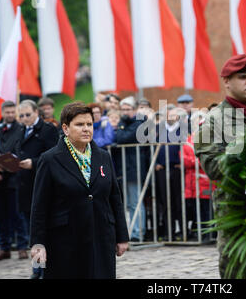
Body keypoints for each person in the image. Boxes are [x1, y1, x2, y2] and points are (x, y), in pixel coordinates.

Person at [30, 102, 129, 279]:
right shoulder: (50, 159)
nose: (86, 129)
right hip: (65, 241)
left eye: (89, 124)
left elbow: (115, 198)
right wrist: (38, 243)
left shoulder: (103, 156)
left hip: (101, 238)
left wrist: (122, 236)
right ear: (66, 129)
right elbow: (39, 206)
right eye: (79, 124)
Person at [194, 54, 246, 278]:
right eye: (243, 77)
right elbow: (214, 168)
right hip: (236, 216)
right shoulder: (212, 121)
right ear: (227, 82)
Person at [14, 100, 59, 277]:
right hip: (24, 186)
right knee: (32, 231)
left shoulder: (48, 130)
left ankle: (46, 267)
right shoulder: (20, 130)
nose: (24, 118)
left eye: (28, 115)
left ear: (36, 113)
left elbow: (53, 155)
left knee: (43, 229)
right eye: (22, 115)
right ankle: (37, 267)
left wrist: (33, 162)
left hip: (41, 184)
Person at [0, 101, 28, 261]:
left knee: (17, 214)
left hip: (14, 177)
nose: (10, 115)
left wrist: (6, 164)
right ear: (2, 113)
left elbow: (20, 151)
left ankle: (21, 246)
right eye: (7, 112)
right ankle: (4, 247)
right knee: (0, 214)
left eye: (13, 112)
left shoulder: (21, 129)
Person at [116, 96, 148, 242]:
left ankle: (138, 232)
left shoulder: (139, 121)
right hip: (125, 167)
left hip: (135, 166)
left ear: (134, 110)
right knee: (129, 203)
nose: (125, 112)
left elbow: (123, 137)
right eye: (123, 109)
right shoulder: (127, 122)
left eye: (128, 109)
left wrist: (121, 125)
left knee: (136, 201)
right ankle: (134, 230)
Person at [155, 105, 186, 241]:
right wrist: (155, 163)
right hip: (162, 169)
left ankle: (183, 231)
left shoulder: (183, 129)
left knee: (178, 201)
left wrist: (183, 162)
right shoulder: (158, 129)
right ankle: (170, 231)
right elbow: (151, 148)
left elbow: (187, 146)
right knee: (165, 200)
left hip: (177, 169)